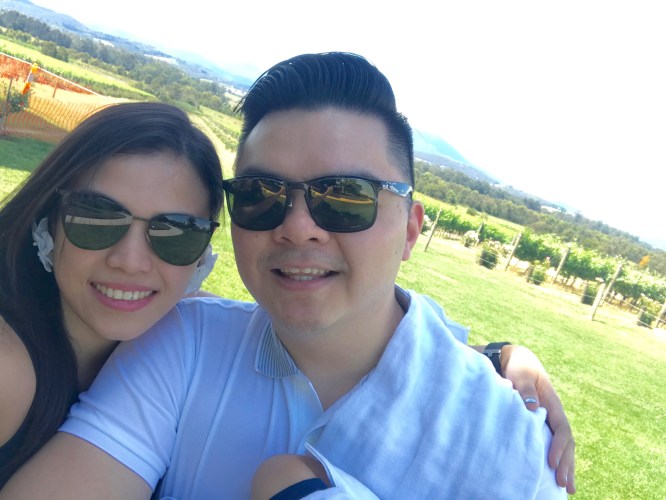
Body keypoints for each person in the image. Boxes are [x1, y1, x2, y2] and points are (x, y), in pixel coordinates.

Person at [1, 53, 574, 498]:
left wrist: (496, 356)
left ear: (409, 230)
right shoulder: (181, 343)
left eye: (346, 197)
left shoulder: (514, 446)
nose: (297, 228)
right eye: (261, 194)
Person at [0, 101, 224, 487]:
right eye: (96, 216)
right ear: (48, 222)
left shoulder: (189, 333)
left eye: (176, 231)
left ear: (202, 255)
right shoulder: (8, 369)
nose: (130, 262)